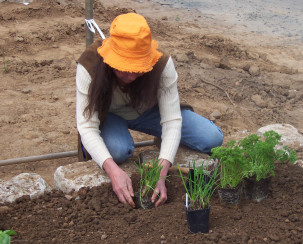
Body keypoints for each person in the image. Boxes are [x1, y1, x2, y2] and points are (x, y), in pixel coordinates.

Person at [76, 13, 223, 208]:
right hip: (109, 115)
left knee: (211, 138)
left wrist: (161, 171)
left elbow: (171, 120)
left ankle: (163, 141)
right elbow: (87, 127)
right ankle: (118, 139)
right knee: (118, 151)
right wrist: (113, 172)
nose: (131, 75)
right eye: (124, 68)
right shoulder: (90, 64)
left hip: (147, 111)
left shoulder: (161, 64)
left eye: (138, 68)